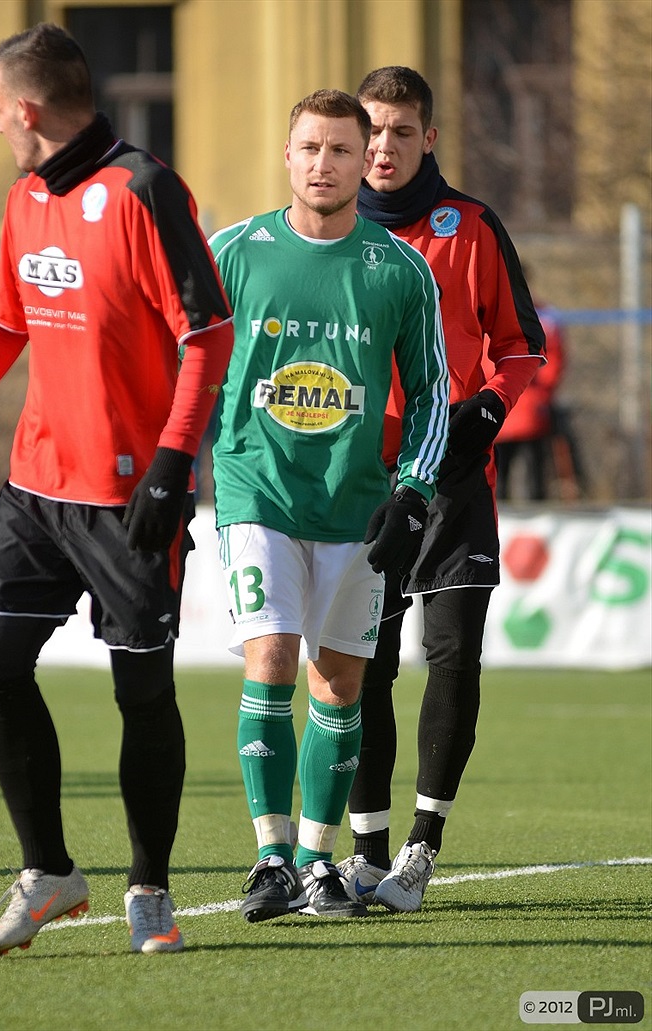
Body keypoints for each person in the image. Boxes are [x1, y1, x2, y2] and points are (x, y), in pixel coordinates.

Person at [0, 23, 233, 956]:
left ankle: (149, 885)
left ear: (29, 109)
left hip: (131, 498)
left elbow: (208, 334)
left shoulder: (145, 189)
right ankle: (49, 872)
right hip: (35, 487)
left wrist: (173, 462)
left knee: (141, 690)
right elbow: (3, 327)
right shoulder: (24, 197)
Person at [208, 89, 450, 922]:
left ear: (363, 161)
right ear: (288, 155)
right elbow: (185, 362)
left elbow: (433, 391)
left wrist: (414, 491)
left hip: (356, 504)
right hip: (257, 489)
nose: (324, 163)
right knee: (272, 656)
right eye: (310, 147)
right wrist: (171, 464)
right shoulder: (233, 253)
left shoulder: (401, 268)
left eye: (341, 149)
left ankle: (316, 861)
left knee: (340, 683)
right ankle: (271, 856)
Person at [337, 66, 545, 912]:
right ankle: (364, 852)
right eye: (372, 132)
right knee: (367, 666)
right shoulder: (327, 233)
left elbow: (522, 346)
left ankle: (422, 847)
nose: (383, 148)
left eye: (401, 131)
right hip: (362, 484)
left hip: (456, 480)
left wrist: (488, 409)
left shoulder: (472, 226)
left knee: (453, 656)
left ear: (429, 138)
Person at [494, 278, 567, 501]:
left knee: (504, 474)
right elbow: (555, 360)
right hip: (515, 404)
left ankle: (504, 511)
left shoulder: (543, 316)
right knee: (528, 473)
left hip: (510, 404)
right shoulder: (543, 316)